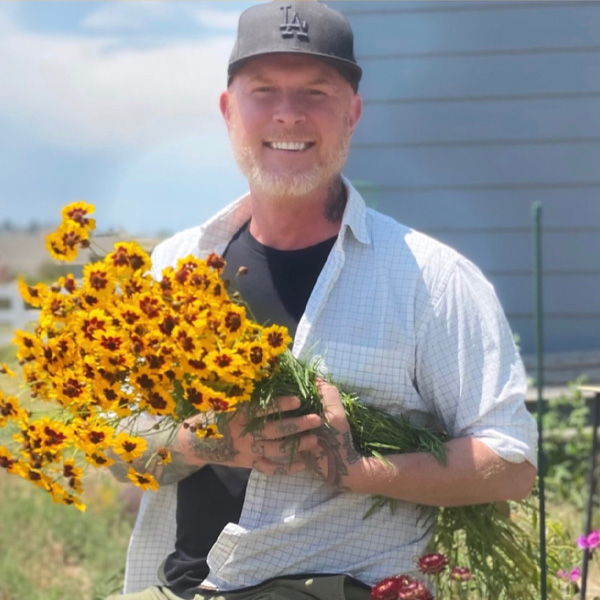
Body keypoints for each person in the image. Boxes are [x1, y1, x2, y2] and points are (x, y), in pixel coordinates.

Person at [109, 2, 538, 599]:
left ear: (352, 113)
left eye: (316, 91)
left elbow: (511, 464)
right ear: (229, 110)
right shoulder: (172, 268)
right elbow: (121, 449)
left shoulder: (432, 280)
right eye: (264, 91)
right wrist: (206, 440)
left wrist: (357, 469)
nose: (289, 114)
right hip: (174, 588)